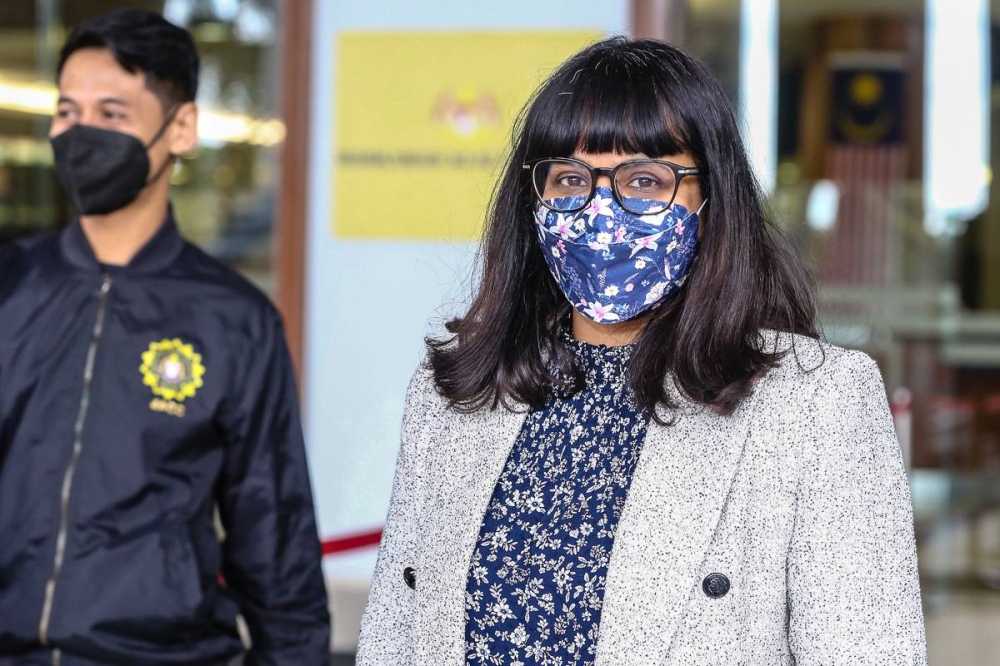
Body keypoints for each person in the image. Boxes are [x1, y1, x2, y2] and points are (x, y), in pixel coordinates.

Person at [357, 37, 927, 665]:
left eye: (645, 181)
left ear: (711, 202)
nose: (601, 211)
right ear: (535, 199)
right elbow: (392, 638)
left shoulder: (816, 402)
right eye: (571, 179)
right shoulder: (456, 393)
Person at [0, 10, 330, 666]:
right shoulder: (11, 287)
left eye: (113, 113)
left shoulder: (233, 320)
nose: (80, 132)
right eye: (67, 110)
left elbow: (274, 538)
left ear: (181, 129)